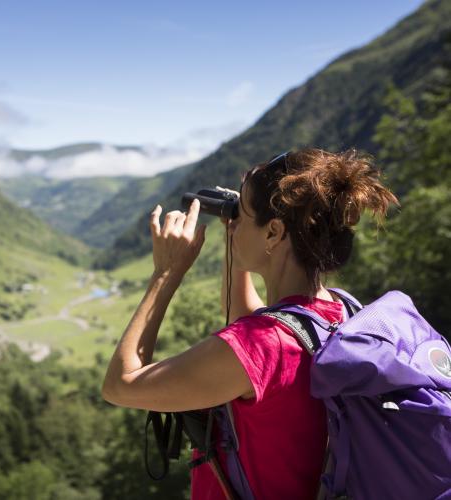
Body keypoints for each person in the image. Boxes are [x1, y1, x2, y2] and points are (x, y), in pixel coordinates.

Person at [102, 148, 398, 499]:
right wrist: (238, 228)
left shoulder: (260, 346)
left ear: (274, 232)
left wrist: (167, 271)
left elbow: (120, 385)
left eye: (242, 216)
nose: (235, 223)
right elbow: (252, 323)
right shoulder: (342, 311)